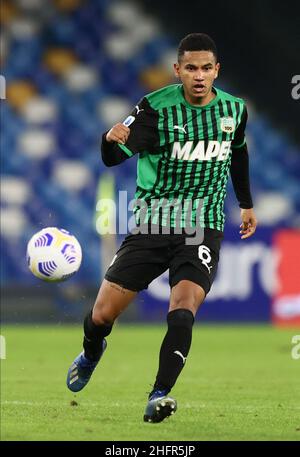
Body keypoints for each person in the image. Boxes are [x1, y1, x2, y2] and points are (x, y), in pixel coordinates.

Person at [66, 33, 257, 423]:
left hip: (202, 227)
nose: (199, 76)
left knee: (184, 308)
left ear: (216, 70)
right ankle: (91, 352)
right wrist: (109, 139)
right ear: (178, 70)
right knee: (101, 317)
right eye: (191, 68)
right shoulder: (155, 109)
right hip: (153, 225)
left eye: (206, 68)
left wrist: (247, 203)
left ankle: (159, 394)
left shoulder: (235, 110)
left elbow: (238, 152)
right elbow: (112, 156)